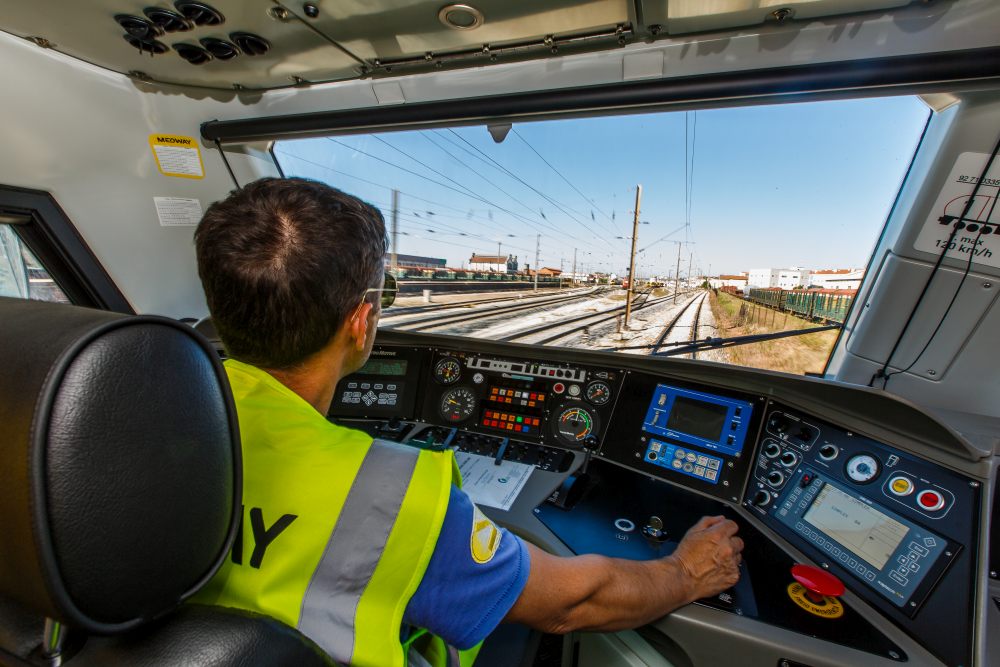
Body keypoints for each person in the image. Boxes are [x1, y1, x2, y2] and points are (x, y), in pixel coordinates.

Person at [192, 177, 743, 667]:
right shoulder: (392, 493)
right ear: (361, 323)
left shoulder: (158, 415)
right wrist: (685, 572)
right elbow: (572, 602)